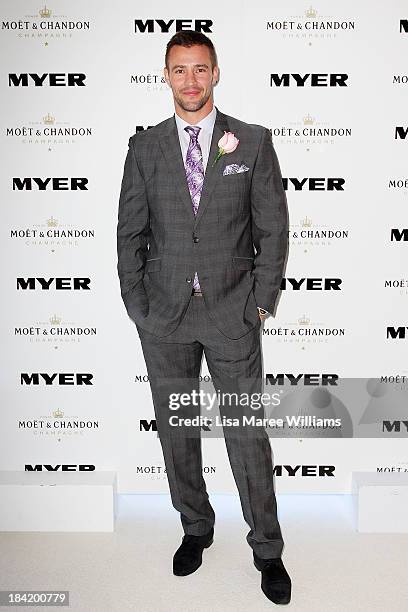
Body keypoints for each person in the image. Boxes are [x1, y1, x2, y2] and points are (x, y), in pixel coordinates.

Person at [117, 30, 291, 605]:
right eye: (179, 70)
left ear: (216, 73)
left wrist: (259, 301)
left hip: (232, 315)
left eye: (200, 69)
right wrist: (139, 307)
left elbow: (272, 228)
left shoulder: (254, 143)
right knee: (177, 432)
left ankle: (267, 549)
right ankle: (196, 527)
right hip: (164, 319)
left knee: (247, 436)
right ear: (165, 75)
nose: (190, 80)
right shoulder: (144, 150)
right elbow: (131, 235)